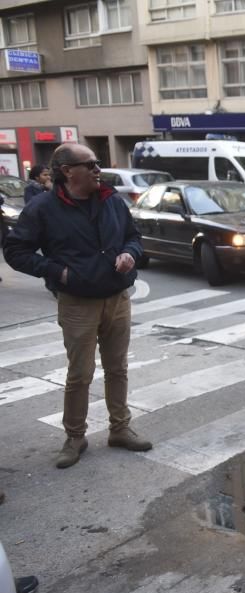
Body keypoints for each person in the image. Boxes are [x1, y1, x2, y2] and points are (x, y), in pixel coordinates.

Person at [3, 142, 151, 468]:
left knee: (118, 368)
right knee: (80, 374)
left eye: (98, 163)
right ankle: (75, 436)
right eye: (91, 164)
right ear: (68, 171)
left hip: (117, 297)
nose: (98, 169)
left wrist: (131, 253)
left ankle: (120, 428)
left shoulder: (112, 200)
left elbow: (134, 236)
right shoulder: (43, 208)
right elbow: (15, 251)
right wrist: (58, 272)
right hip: (77, 303)